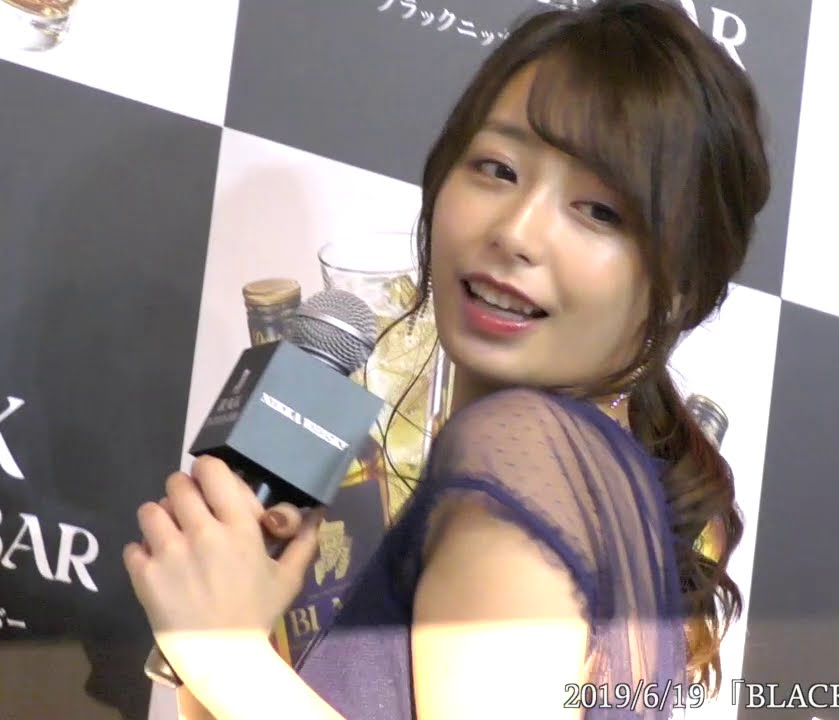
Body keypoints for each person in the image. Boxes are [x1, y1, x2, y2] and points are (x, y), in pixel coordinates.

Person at [121, 0, 770, 717]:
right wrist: (228, 646)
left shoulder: (520, 450)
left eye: (600, 211)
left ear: (677, 289)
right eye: (497, 168)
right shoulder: (606, 490)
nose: (516, 231)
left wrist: (226, 657)